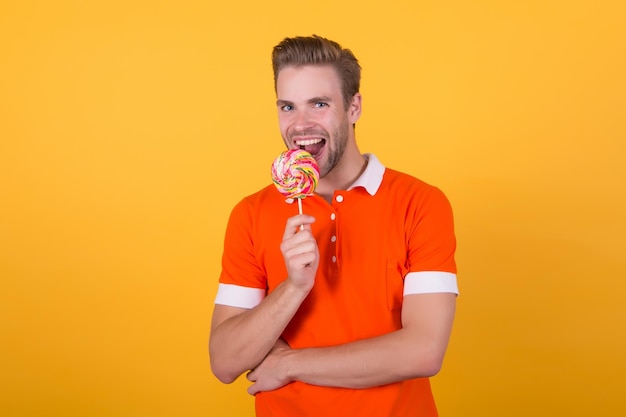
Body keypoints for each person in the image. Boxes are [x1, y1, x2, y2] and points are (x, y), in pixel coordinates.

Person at [209, 35, 458, 417]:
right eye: (287, 106)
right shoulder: (251, 213)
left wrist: (288, 363)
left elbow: (424, 351)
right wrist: (293, 288)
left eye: (319, 104)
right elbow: (225, 360)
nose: (300, 124)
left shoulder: (420, 203)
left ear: (353, 107)